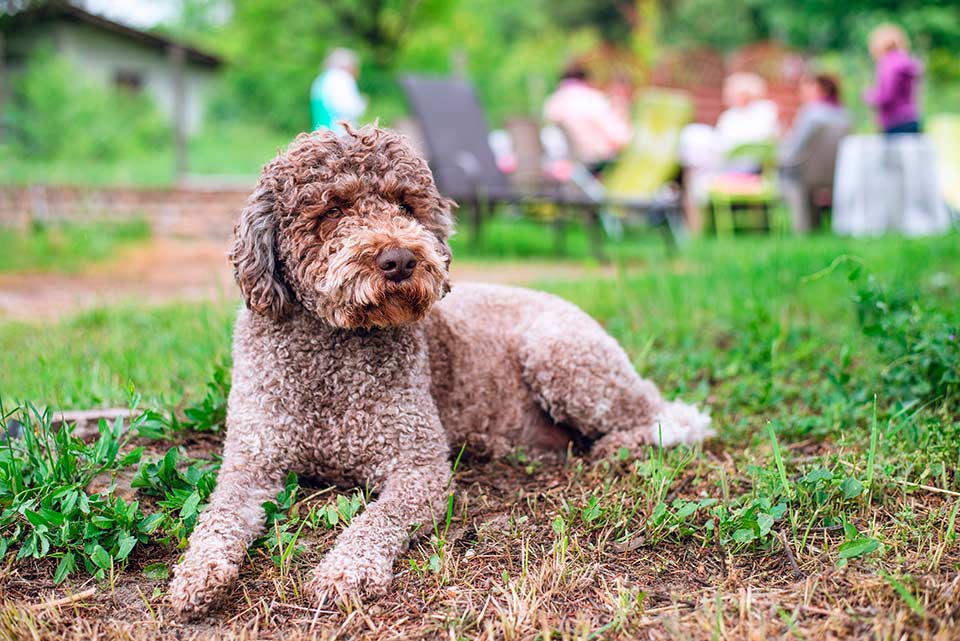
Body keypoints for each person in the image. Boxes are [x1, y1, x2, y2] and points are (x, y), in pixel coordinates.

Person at [778, 74, 851, 232]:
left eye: (808, 88)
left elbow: (796, 148)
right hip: (835, 173)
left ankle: (802, 228)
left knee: (783, 174)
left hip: (805, 174)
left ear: (823, 90)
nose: (802, 93)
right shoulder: (845, 115)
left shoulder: (811, 113)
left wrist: (778, 157)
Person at [543, 63, 631, 174]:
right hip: (596, 159)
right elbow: (620, 137)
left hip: (568, 158)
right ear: (587, 79)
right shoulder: (593, 99)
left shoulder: (552, 101)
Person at [864, 24, 923, 134]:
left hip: (894, 122)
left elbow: (887, 96)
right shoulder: (905, 60)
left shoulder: (888, 64)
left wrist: (870, 96)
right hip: (911, 118)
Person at [311, 48, 366, 133]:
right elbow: (347, 109)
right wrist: (362, 103)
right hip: (338, 134)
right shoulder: (342, 78)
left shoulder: (320, 79)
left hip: (321, 134)